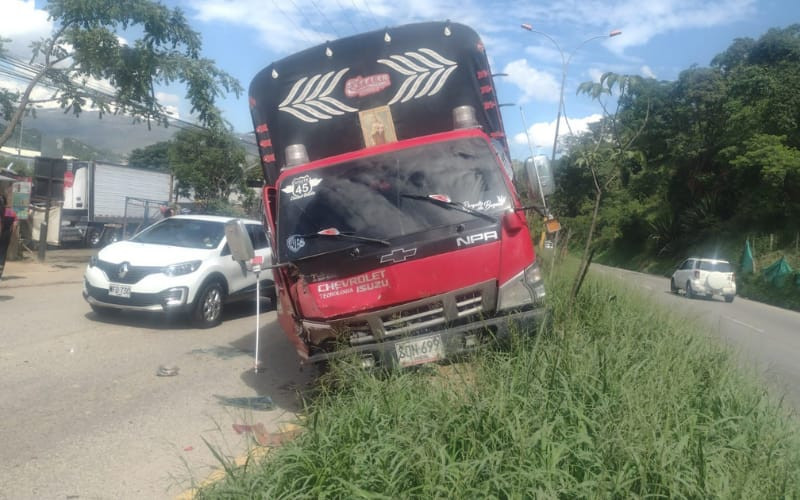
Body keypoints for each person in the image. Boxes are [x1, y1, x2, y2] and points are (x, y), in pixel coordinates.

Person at [0, 193, 18, 281]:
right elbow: (14, 226)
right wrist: (12, 235)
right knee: (2, 254)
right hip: (7, 235)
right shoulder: (12, 212)